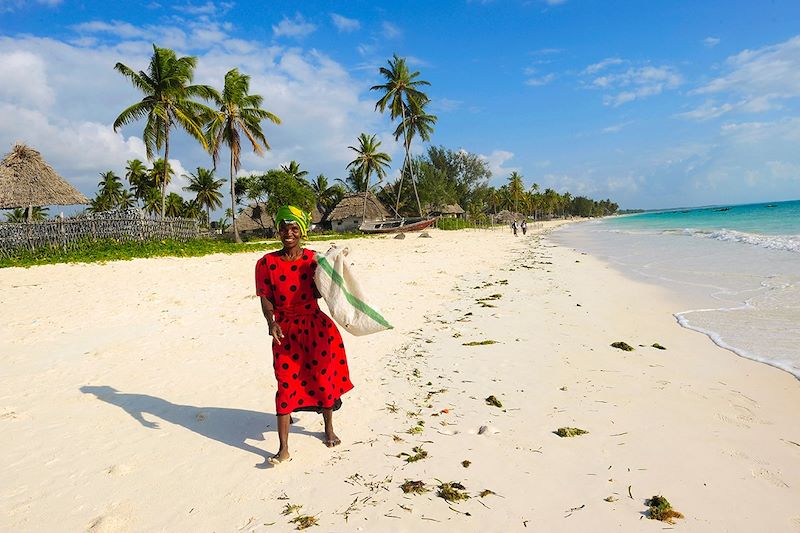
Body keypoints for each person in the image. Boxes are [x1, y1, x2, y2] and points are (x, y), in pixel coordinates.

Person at [255, 205, 353, 465]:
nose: (289, 233)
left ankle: (328, 428)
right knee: (285, 384)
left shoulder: (313, 260)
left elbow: (326, 291)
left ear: (302, 232)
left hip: (316, 328)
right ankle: (283, 449)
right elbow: (265, 297)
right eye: (285, 229)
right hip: (285, 332)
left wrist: (333, 264)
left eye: (295, 228)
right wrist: (270, 321)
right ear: (278, 231)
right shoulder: (266, 263)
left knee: (323, 378)